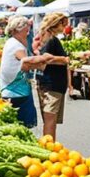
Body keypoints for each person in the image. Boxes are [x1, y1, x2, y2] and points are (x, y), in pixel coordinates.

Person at [0, 16, 48, 128]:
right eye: (26, 31)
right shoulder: (16, 46)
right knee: (22, 125)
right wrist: (43, 61)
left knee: (13, 125)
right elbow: (27, 63)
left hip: (10, 90)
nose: (28, 33)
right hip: (16, 92)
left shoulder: (11, 42)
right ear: (17, 30)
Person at [36, 12, 72, 140]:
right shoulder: (51, 39)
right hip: (52, 84)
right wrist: (64, 59)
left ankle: (48, 146)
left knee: (49, 118)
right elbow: (46, 59)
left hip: (46, 81)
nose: (66, 26)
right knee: (50, 119)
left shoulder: (45, 37)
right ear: (57, 23)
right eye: (64, 23)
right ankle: (49, 149)